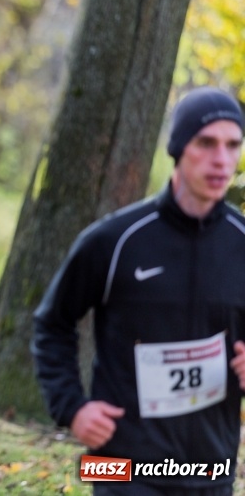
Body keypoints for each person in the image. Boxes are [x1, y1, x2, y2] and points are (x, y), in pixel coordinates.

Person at [31, 86, 245, 495]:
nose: (222, 159)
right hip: (118, 466)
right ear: (179, 148)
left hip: (210, 470)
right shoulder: (115, 240)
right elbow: (52, 323)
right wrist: (72, 408)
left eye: (233, 145)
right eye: (206, 143)